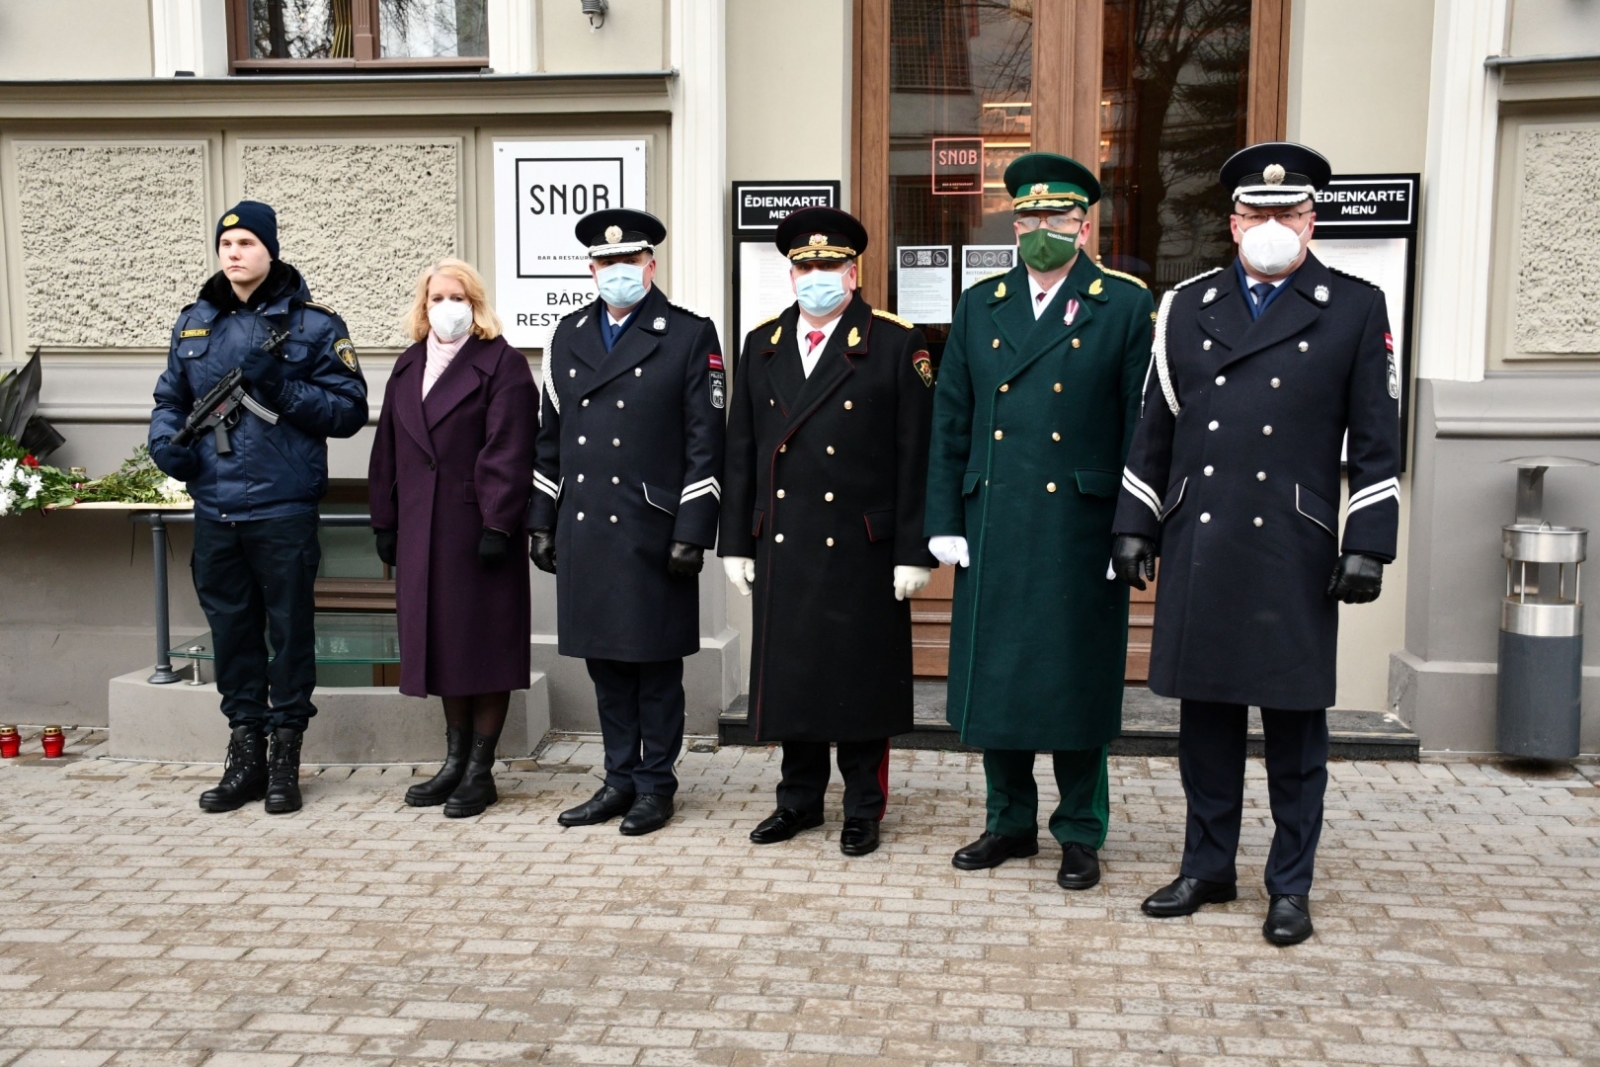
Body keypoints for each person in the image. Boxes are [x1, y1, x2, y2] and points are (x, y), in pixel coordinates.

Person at [1111, 142, 1401, 946]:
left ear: (1312, 221)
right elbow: (1155, 426)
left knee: (1295, 730)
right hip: (1203, 535)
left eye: (1289, 212)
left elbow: (1377, 440)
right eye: (1257, 212)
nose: (1272, 224)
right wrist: (1134, 522)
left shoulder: (1353, 307)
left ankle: (1290, 885)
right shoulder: (1186, 305)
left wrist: (1368, 542)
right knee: (1204, 721)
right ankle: (1207, 866)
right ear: (1233, 221)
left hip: (1294, 547)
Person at [923, 154, 1154, 888]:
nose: (1040, 229)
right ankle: (1008, 822)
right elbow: (950, 416)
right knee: (1000, 675)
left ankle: (1080, 831)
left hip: (1079, 526)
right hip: (995, 516)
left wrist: (1134, 523)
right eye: (1028, 218)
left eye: (1056, 217)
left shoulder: (1122, 304)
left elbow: (1141, 425)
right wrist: (944, 515)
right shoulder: (980, 303)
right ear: (1014, 226)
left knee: (1074, 679)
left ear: (1084, 227)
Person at [719, 207, 936, 858]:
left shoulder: (896, 342)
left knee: (860, 680)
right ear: (791, 275)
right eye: (805, 266)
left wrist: (914, 549)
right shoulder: (762, 343)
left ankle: (864, 806)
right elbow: (741, 449)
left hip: (863, 546)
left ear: (853, 272)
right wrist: (735, 540)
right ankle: (798, 800)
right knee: (795, 676)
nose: (817, 275)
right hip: (785, 539)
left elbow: (917, 456)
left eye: (830, 264)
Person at [149, 200, 368, 815]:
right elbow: (169, 399)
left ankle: (285, 759)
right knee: (232, 633)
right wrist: (165, 445)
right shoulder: (194, 323)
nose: (234, 253)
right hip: (215, 506)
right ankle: (244, 756)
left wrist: (280, 386)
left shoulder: (314, 325)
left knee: (290, 633)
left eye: (246, 242)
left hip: (282, 506)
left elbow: (349, 410)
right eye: (226, 244)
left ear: (270, 249)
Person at [530, 208, 724, 837]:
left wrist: (693, 530)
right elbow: (550, 438)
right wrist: (541, 518)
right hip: (586, 526)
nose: (618, 270)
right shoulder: (566, 335)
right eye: (606, 262)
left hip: (652, 528)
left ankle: (656, 785)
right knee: (606, 665)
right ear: (592, 270)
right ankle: (618, 779)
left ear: (650, 265)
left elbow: (706, 443)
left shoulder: (689, 334)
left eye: (628, 260)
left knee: (655, 667)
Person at [368, 258, 536, 818]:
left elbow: (511, 449)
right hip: (422, 529)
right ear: (423, 305)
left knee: (483, 648)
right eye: (437, 297)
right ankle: (455, 761)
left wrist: (498, 523)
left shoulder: (503, 363)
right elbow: (388, 448)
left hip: (478, 529)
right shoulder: (408, 364)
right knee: (444, 647)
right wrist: (385, 520)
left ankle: (481, 771)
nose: (447, 307)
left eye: (457, 297)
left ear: (476, 303)